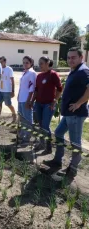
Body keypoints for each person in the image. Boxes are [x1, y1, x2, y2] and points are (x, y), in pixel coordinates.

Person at [43, 47, 89, 179]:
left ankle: (72, 169)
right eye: (68, 57)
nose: (70, 60)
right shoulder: (75, 71)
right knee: (58, 133)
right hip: (68, 114)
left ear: (81, 58)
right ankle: (57, 161)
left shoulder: (83, 71)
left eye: (73, 57)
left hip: (76, 114)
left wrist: (79, 103)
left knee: (75, 142)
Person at [31, 57, 63, 154]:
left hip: (48, 105)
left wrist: (55, 101)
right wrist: (32, 101)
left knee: (45, 126)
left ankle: (48, 147)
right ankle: (41, 144)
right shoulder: (39, 76)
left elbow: (60, 89)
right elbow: (36, 90)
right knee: (41, 125)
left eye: (41, 63)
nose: (39, 65)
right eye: (39, 63)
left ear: (47, 63)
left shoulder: (53, 74)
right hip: (38, 104)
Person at [17, 56, 37, 143]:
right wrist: (18, 95)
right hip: (21, 99)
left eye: (27, 63)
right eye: (24, 62)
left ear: (31, 63)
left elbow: (32, 88)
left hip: (26, 99)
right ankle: (23, 134)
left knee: (27, 119)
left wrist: (28, 101)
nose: (25, 64)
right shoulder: (25, 72)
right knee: (22, 118)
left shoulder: (32, 73)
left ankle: (27, 137)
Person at [0, 56, 17, 123]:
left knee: (8, 104)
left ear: (5, 62)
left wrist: (13, 91)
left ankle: (14, 114)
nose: (0, 63)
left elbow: (12, 81)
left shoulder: (9, 69)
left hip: (7, 91)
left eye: (1, 62)